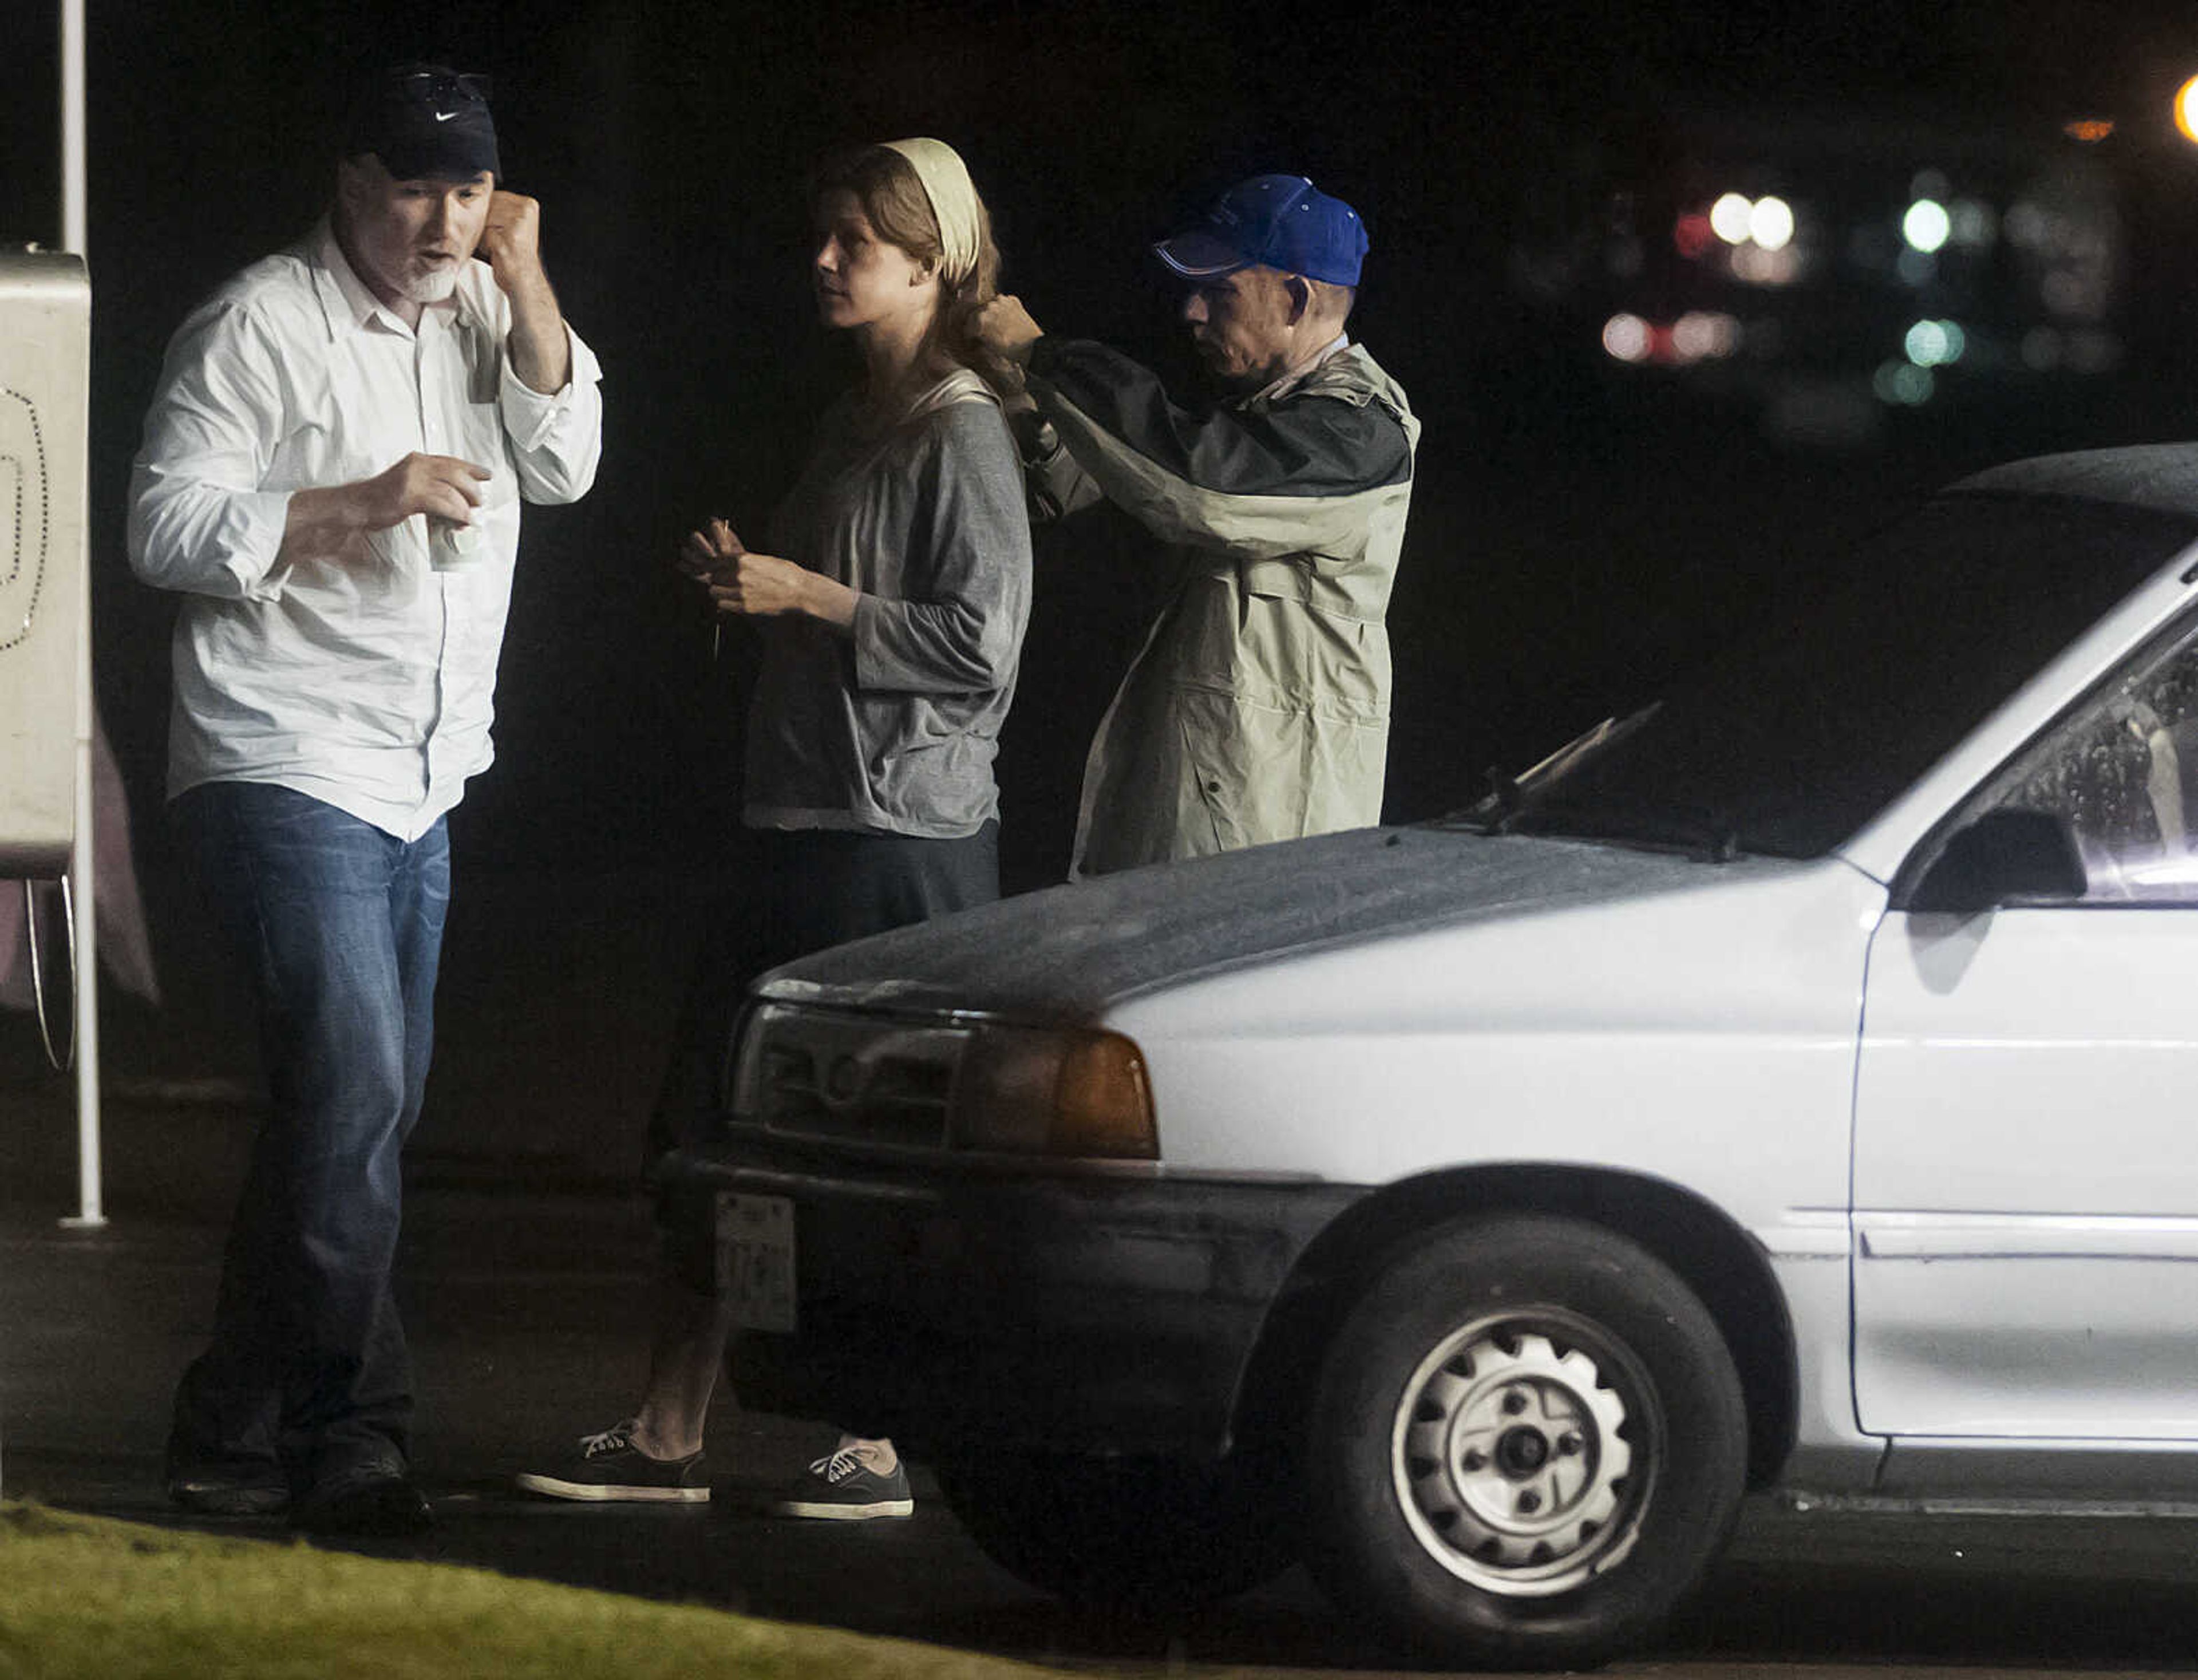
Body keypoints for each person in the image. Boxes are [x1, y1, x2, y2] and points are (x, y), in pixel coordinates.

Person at [516, 138, 1030, 1520]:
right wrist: (753, 585)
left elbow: (982, 647)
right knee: (720, 1123)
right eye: (823, 234)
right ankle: (668, 1429)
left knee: (861, 1145)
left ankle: (870, 1446)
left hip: (895, 837)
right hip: (798, 817)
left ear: (930, 260)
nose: (823, 260)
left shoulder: (961, 428)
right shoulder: (857, 415)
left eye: (855, 241)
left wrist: (806, 596)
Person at [126, 64, 603, 1537]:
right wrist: (357, 499)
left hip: (423, 771)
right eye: (413, 187)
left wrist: (528, 287)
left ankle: (229, 1423)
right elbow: (161, 527)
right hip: (283, 754)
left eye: (467, 190)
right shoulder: (258, 321)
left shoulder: (484, 304)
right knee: (353, 1095)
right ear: (350, 182)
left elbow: (570, 461)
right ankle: (356, 1435)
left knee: (352, 1120)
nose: (442, 218)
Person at [970, 172, 1418, 877]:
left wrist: (1045, 355)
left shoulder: (1358, 432)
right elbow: (1097, 484)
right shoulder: (1267, 413)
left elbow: (1199, 488)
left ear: (1297, 298)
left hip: (1268, 842)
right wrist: (1026, 404)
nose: (1192, 311)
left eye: (1222, 290)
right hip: (1213, 811)